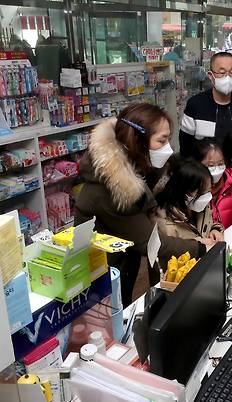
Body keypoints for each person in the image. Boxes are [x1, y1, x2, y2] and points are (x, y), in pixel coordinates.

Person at [75, 103, 214, 306]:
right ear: (137, 140)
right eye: (162, 140)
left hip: (122, 262)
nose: (168, 148)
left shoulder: (135, 163)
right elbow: (150, 243)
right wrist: (200, 247)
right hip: (100, 273)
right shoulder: (114, 188)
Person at [179, 52, 232, 160]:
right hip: (205, 172)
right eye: (222, 73)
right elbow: (186, 145)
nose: (227, 77)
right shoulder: (195, 104)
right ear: (211, 76)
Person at [153, 157, 224, 241]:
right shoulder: (166, 227)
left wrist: (214, 230)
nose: (207, 197)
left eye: (208, 191)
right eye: (201, 193)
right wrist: (199, 245)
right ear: (183, 191)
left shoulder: (200, 207)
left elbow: (208, 224)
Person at [191, 139, 232, 228]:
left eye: (221, 164)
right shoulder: (191, 190)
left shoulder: (231, 186)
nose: (217, 170)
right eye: (211, 165)